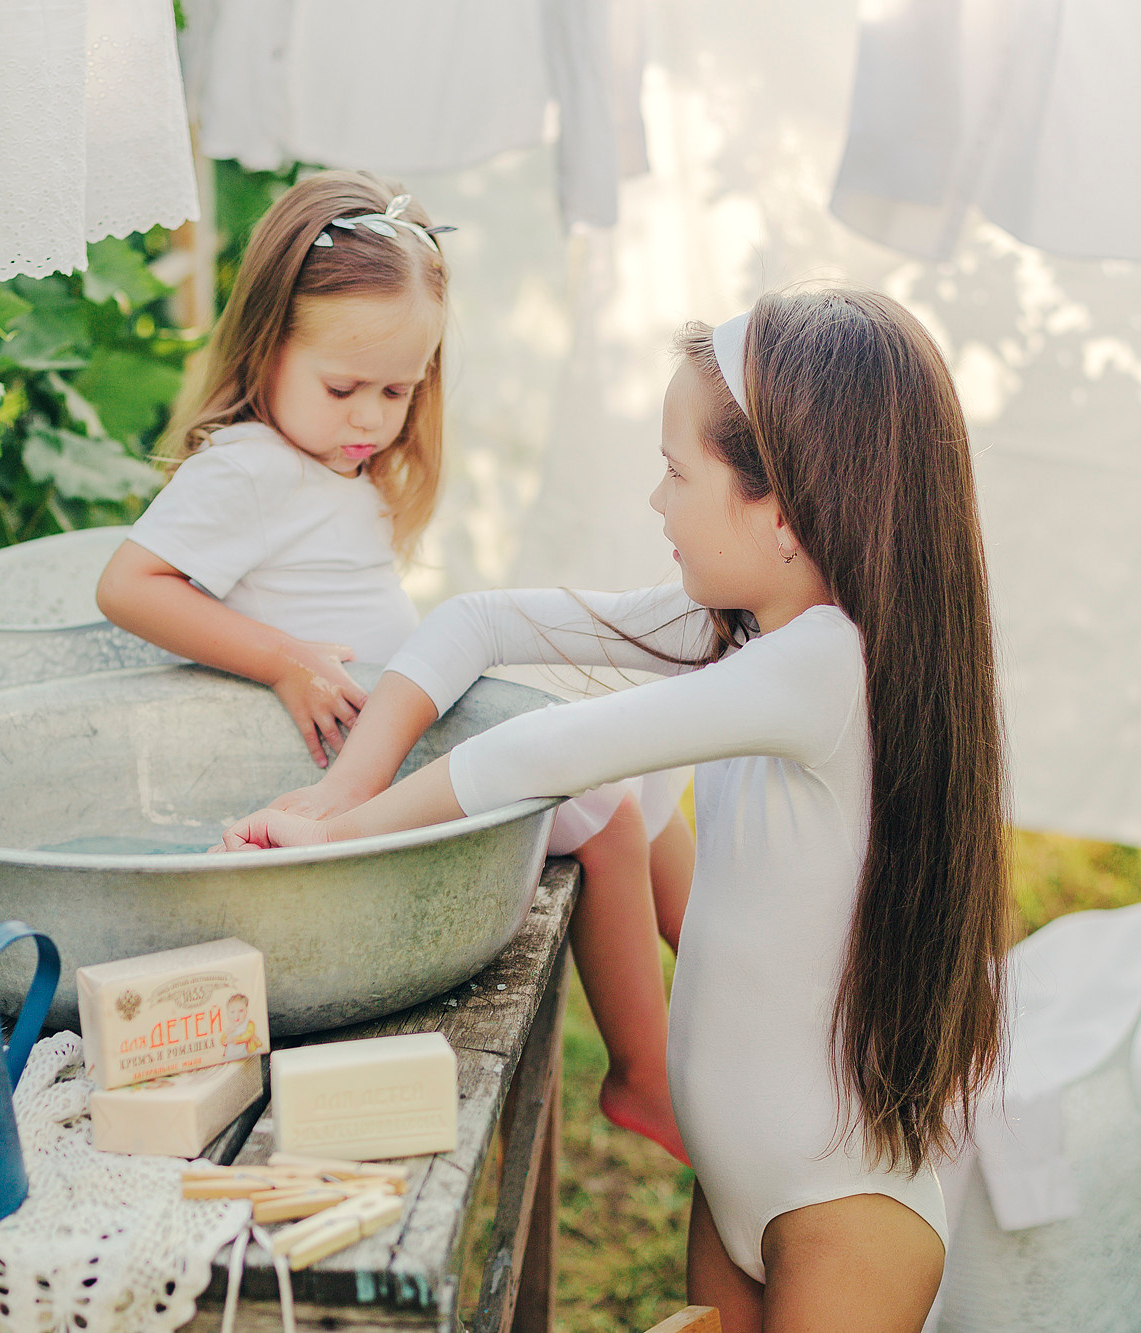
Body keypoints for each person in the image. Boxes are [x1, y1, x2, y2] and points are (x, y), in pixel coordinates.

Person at [219, 288, 1010, 1333]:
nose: (655, 499)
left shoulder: (826, 662)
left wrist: (337, 841)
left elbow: (545, 751)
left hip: (839, 1213)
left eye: (677, 472)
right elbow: (481, 620)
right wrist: (342, 786)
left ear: (781, 513)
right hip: (736, 1183)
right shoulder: (746, 626)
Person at [94, 170, 693, 1162]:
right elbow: (129, 585)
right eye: (343, 388)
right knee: (610, 807)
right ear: (267, 346)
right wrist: (281, 659)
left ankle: (731, 988)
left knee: (638, 785)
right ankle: (644, 1071)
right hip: (354, 765)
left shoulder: (334, 462)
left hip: (389, 737)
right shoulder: (248, 464)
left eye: (398, 390)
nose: (370, 418)